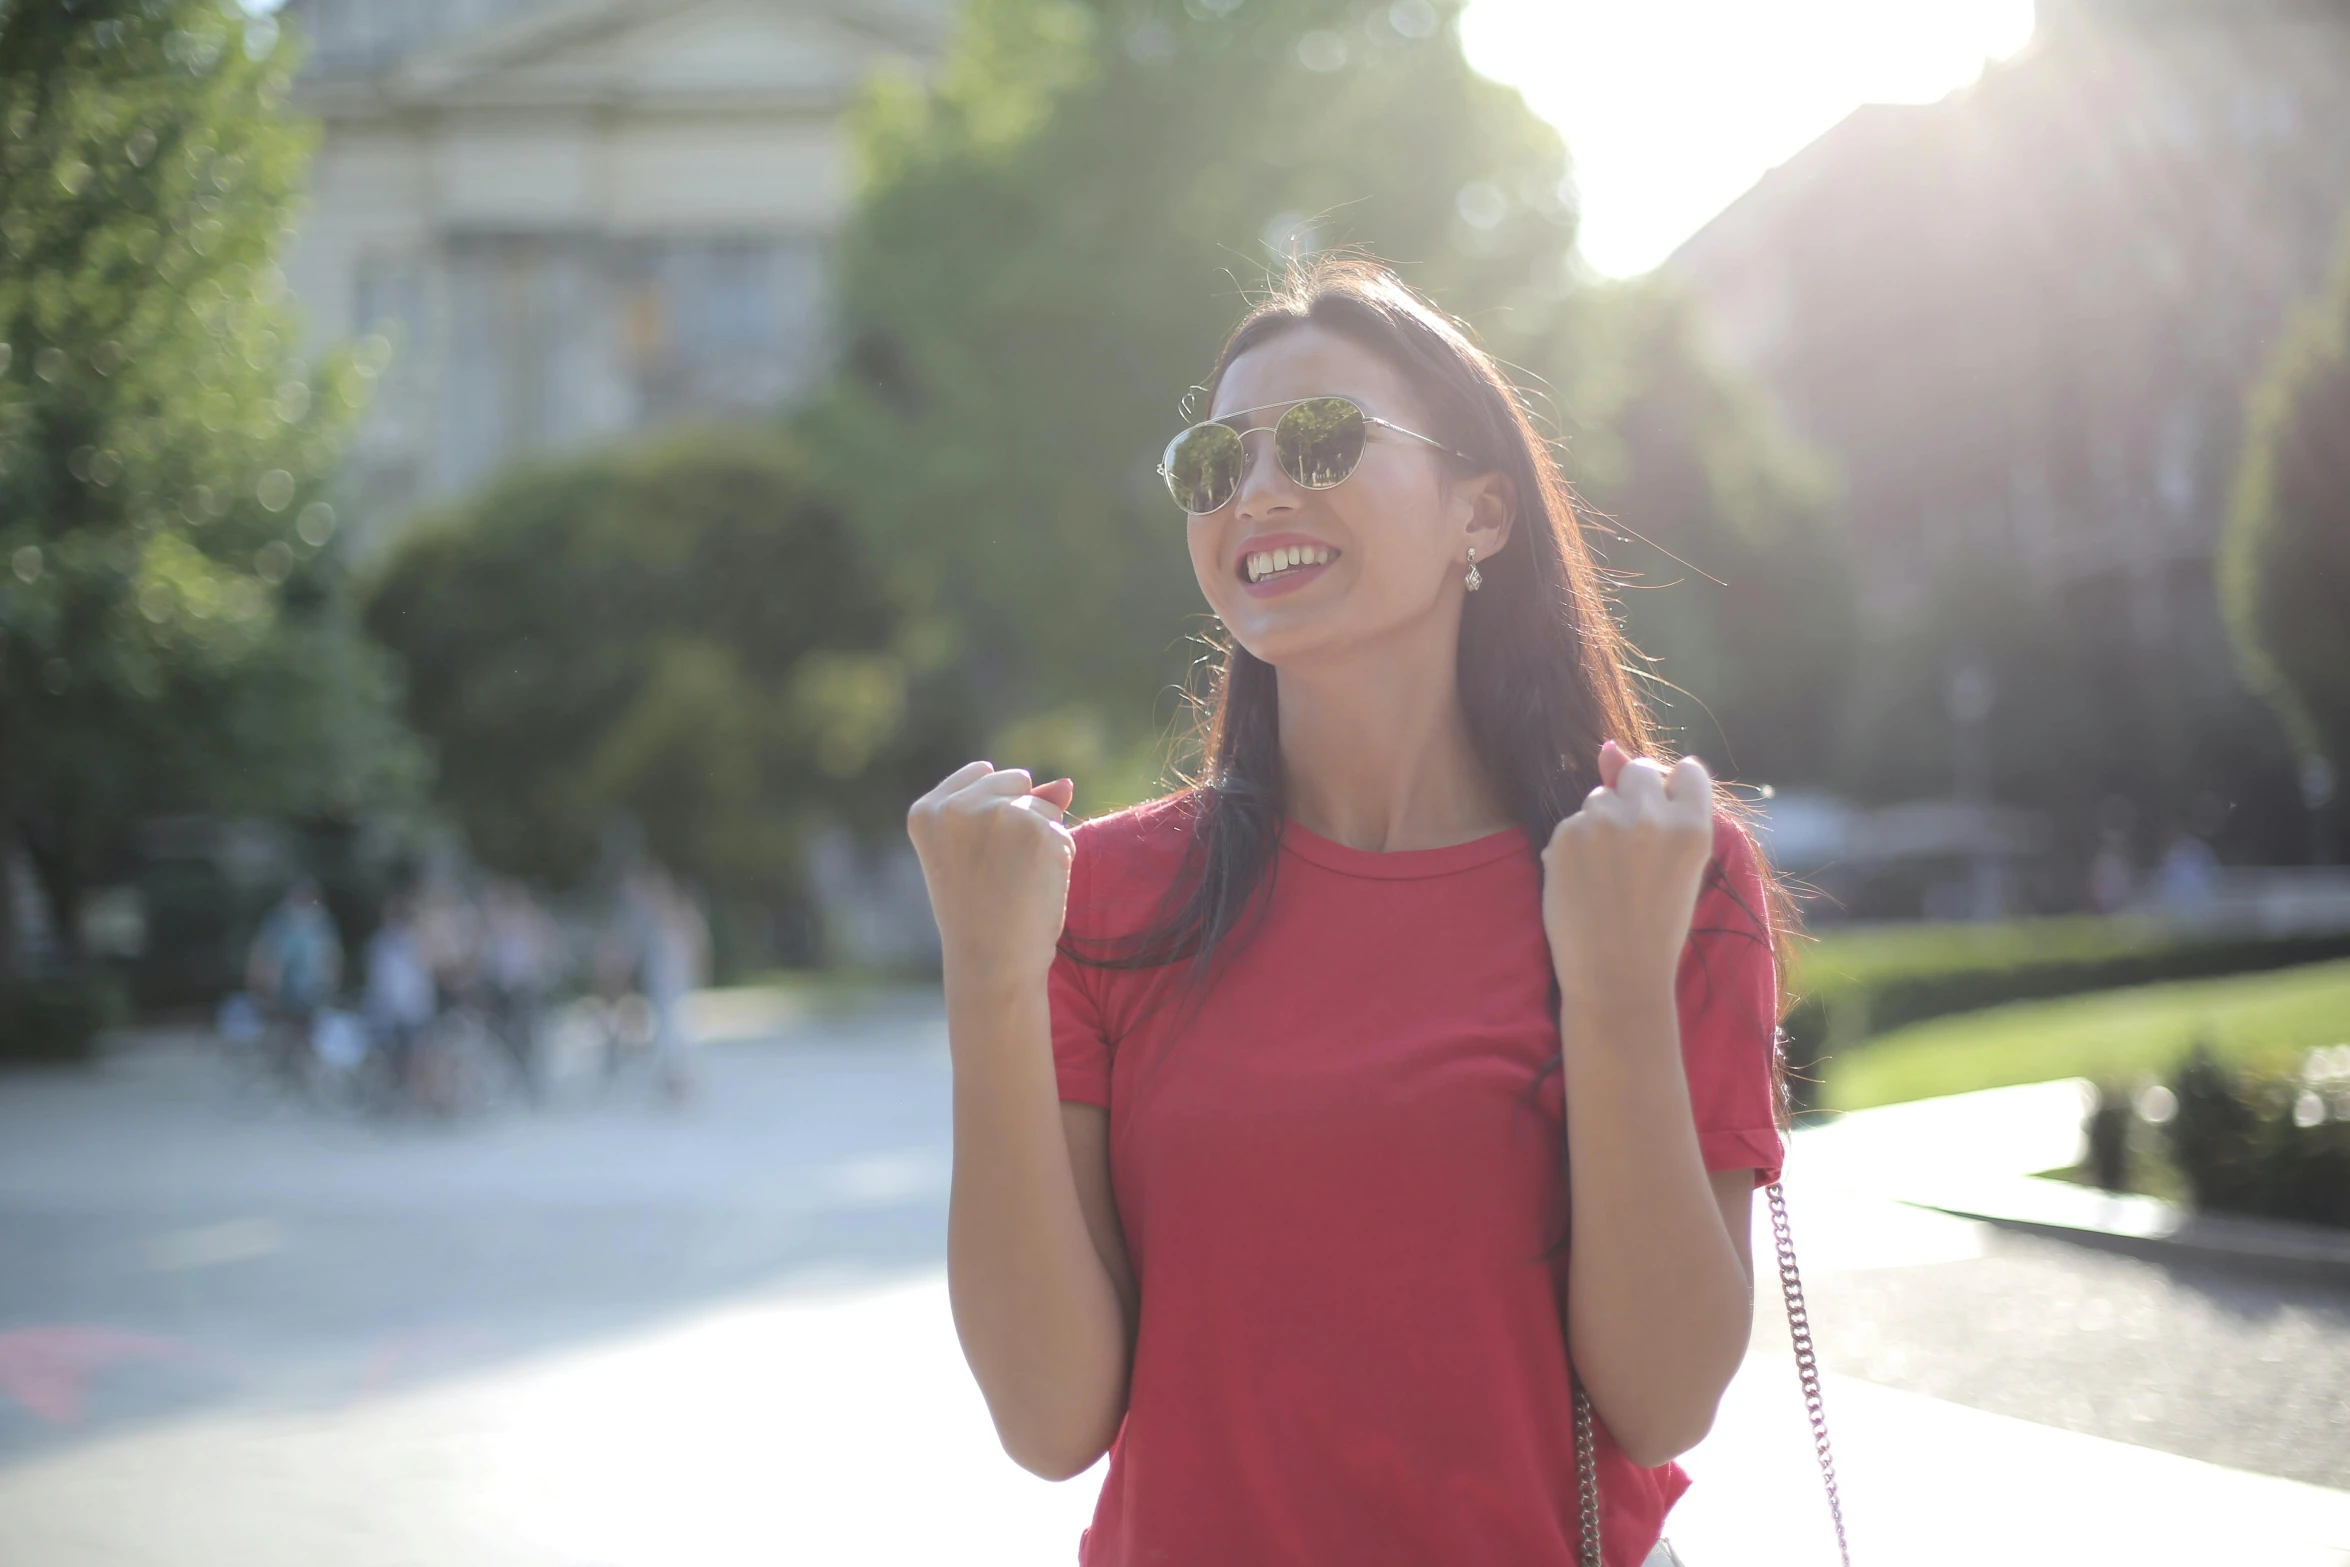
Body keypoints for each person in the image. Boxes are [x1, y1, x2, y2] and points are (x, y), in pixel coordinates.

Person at [907, 259, 1786, 1567]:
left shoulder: (1650, 867)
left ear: (1478, 509)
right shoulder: (1091, 900)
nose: (1257, 490)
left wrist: (1606, 985)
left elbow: (1663, 1396)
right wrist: (985, 979)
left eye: (1319, 439)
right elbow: (1047, 1418)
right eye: (1214, 461)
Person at [245, 879, 343, 1079]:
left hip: (314, 989)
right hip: (286, 988)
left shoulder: (321, 922)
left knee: (311, 1029)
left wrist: (332, 979)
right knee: (285, 1029)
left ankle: (304, 1069)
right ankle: (284, 1068)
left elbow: (332, 954)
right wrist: (263, 981)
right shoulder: (279, 921)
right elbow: (266, 952)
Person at [362, 891, 436, 1105]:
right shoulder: (382, 943)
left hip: (413, 1013)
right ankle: (396, 1100)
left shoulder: (417, 941)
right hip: (392, 1014)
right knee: (393, 1062)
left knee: (417, 1060)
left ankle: (415, 1101)